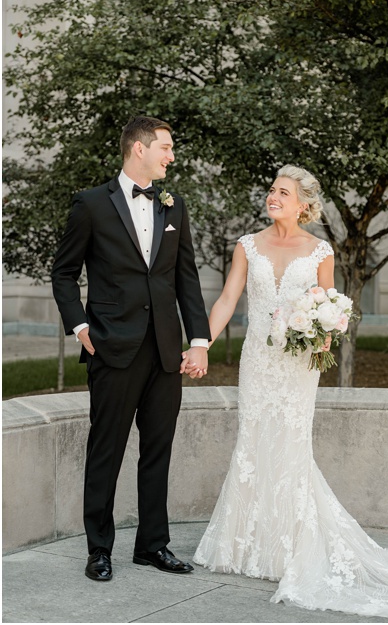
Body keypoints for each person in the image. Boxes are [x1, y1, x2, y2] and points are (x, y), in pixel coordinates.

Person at [193, 165, 388, 621]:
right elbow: (227, 299)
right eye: (271, 190)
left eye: (282, 192)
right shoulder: (247, 245)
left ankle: (291, 550)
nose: (272, 197)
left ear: (304, 203)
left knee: (290, 445)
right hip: (258, 362)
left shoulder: (320, 250)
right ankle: (245, 546)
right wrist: (200, 343)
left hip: (298, 365)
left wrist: (320, 336)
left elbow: (329, 307)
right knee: (252, 442)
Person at [51, 115, 212, 582]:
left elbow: (186, 276)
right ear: (138, 148)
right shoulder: (91, 204)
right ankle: (99, 549)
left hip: (165, 349)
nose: (171, 155)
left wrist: (197, 341)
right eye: (166, 146)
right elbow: (63, 273)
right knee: (107, 449)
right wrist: (80, 326)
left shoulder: (174, 204)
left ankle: (152, 546)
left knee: (158, 450)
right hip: (111, 348)